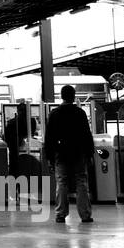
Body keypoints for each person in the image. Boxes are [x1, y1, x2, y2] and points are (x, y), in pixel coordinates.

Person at [43, 85, 95, 224]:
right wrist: (90, 154)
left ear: (62, 96)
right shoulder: (80, 113)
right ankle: (85, 215)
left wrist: (49, 157)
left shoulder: (54, 114)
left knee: (61, 182)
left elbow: (49, 138)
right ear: (73, 96)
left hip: (61, 154)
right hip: (79, 153)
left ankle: (60, 214)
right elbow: (87, 135)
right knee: (81, 182)